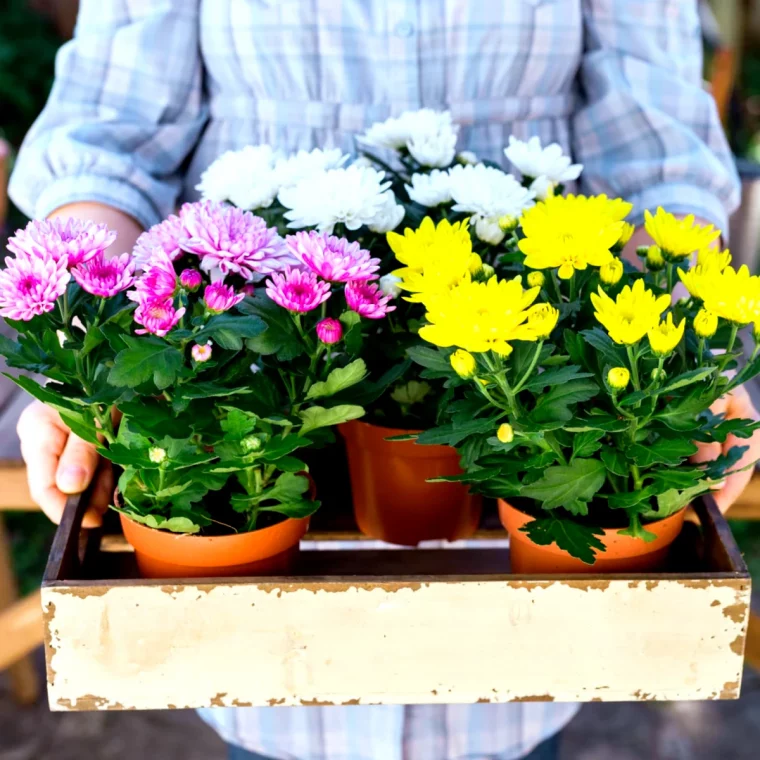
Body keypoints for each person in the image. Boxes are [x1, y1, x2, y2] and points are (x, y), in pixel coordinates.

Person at [8, 2, 760, 759]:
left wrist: (685, 352)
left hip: (520, 420)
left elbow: (657, 162)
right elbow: (107, 144)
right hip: (249, 380)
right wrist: (86, 345)